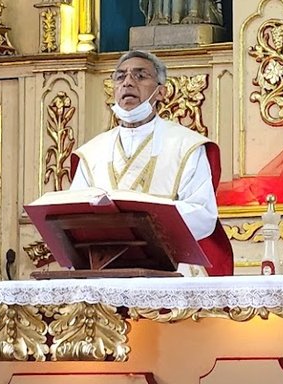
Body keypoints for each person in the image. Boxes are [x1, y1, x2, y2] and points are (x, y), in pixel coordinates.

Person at [70, 50, 233, 276]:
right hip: (105, 268)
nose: (128, 82)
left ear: (161, 92)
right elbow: (73, 215)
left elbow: (202, 214)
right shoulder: (91, 152)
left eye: (140, 76)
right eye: (120, 77)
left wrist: (143, 227)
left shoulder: (186, 145)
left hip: (172, 268)